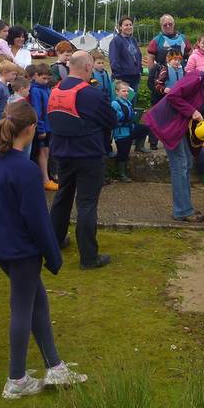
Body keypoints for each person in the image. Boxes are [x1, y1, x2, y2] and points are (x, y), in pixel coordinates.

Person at [0, 100, 84, 399]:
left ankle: (56, 366)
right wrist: (53, 255)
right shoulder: (24, 169)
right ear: (32, 128)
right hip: (20, 249)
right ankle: (16, 379)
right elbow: (37, 219)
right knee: (22, 308)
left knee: (38, 301)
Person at [48, 50, 117, 268]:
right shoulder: (91, 94)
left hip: (62, 154)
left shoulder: (55, 89)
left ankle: (55, 241)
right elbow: (111, 120)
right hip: (89, 155)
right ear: (88, 67)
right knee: (86, 203)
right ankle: (88, 257)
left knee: (63, 197)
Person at [143, 58, 204, 223]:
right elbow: (173, 96)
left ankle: (185, 207)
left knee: (187, 164)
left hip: (180, 129)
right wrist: (192, 111)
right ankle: (182, 211)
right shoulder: (196, 78)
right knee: (180, 165)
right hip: (169, 125)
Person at [111, 80, 150, 182]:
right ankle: (121, 174)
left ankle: (139, 146)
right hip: (121, 134)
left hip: (130, 129)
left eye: (127, 91)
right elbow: (115, 118)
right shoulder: (114, 104)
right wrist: (126, 116)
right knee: (123, 154)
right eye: (124, 91)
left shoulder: (127, 102)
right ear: (117, 92)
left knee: (145, 128)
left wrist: (135, 115)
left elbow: (131, 115)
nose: (126, 93)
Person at [27, 63, 57, 190]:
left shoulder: (46, 89)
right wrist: (40, 129)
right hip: (43, 128)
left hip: (50, 126)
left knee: (47, 152)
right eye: (43, 78)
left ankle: (49, 176)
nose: (46, 81)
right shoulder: (35, 91)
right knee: (43, 152)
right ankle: (45, 179)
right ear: (36, 76)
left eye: (47, 79)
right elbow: (37, 111)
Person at [108, 16, 143, 92]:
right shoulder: (116, 41)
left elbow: (138, 56)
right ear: (120, 27)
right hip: (123, 79)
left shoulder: (133, 40)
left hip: (135, 77)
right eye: (126, 25)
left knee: (132, 103)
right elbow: (114, 60)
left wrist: (140, 70)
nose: (129, 27)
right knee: (123, 102)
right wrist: (118, 77)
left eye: (130, 25)